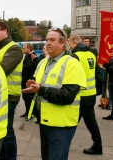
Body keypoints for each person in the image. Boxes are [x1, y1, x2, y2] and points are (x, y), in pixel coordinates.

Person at [22, 28, 86, 160]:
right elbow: (41, 85)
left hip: (61, 124)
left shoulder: (72, 63)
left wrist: (40, 90)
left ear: (63, 43)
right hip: (44, 120)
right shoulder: (43, 62)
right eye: (47, 40)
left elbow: (67, 95)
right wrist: (33, 85)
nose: (48, 43)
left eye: (52, 40)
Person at [0, 20, 23, 160]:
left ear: (5, 30)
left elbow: (3, 70)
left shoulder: (14, 48)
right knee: (1, 130)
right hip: (0, 94)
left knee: (7, 131)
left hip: (9, 95)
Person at [68, 35, 103, 155]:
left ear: (76, 43)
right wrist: (98, 89)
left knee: (82, 120)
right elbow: (97, 73)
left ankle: (98, 146)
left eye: (70, 44)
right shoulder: (91, 54)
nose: (70, 46)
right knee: (80, 119)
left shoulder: (75, 56)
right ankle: (65, 142)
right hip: (90, 93)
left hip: (81, 94)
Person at [20, 43, 36, 118]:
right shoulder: (26, 56)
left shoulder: (32, 56)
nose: (23, 49)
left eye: (24, 48)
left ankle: (30, 113)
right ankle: (27, 112)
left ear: (29, 49)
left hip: (28, 80)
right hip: (24, 80)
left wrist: (20, 65)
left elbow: (27, 67)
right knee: (25, 98)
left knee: (28, 98)